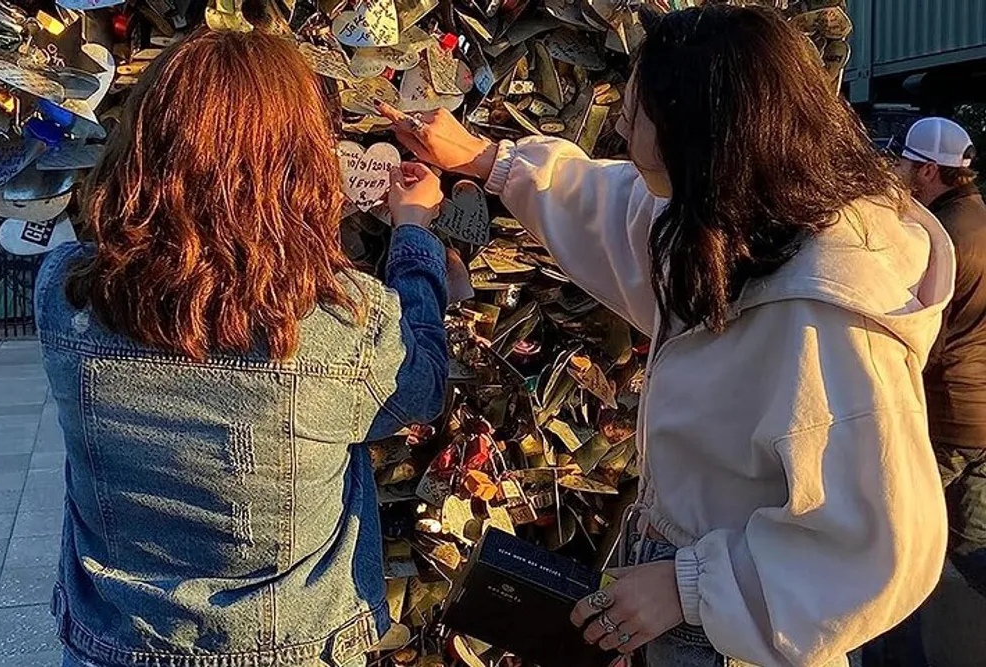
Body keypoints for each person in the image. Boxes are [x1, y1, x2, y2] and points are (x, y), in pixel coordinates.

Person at [380, 5, 955, 667]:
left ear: (704, 133)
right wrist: (491, 163)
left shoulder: (828, 316)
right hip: (685, 593)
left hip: (737, 631)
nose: (620, 125)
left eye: (638, 110)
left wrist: (691, 586)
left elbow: (886, 544)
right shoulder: (743, 228)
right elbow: (623, 209)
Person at [34, 29, 448, 667]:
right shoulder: (339, 321)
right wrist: (414, 237)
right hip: (291, 647)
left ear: (140, 145)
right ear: (299, 163)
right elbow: (420, 392)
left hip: (115, 643)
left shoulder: (64, 293)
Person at [872, 117, 986, 667]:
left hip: (941, 420)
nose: (895, 172)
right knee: (971, 547)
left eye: (902, 163)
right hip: (981, 420)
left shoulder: (935, 240)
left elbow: (919, 340)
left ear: (928, 171)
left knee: (895, 550)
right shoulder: (980, 217)